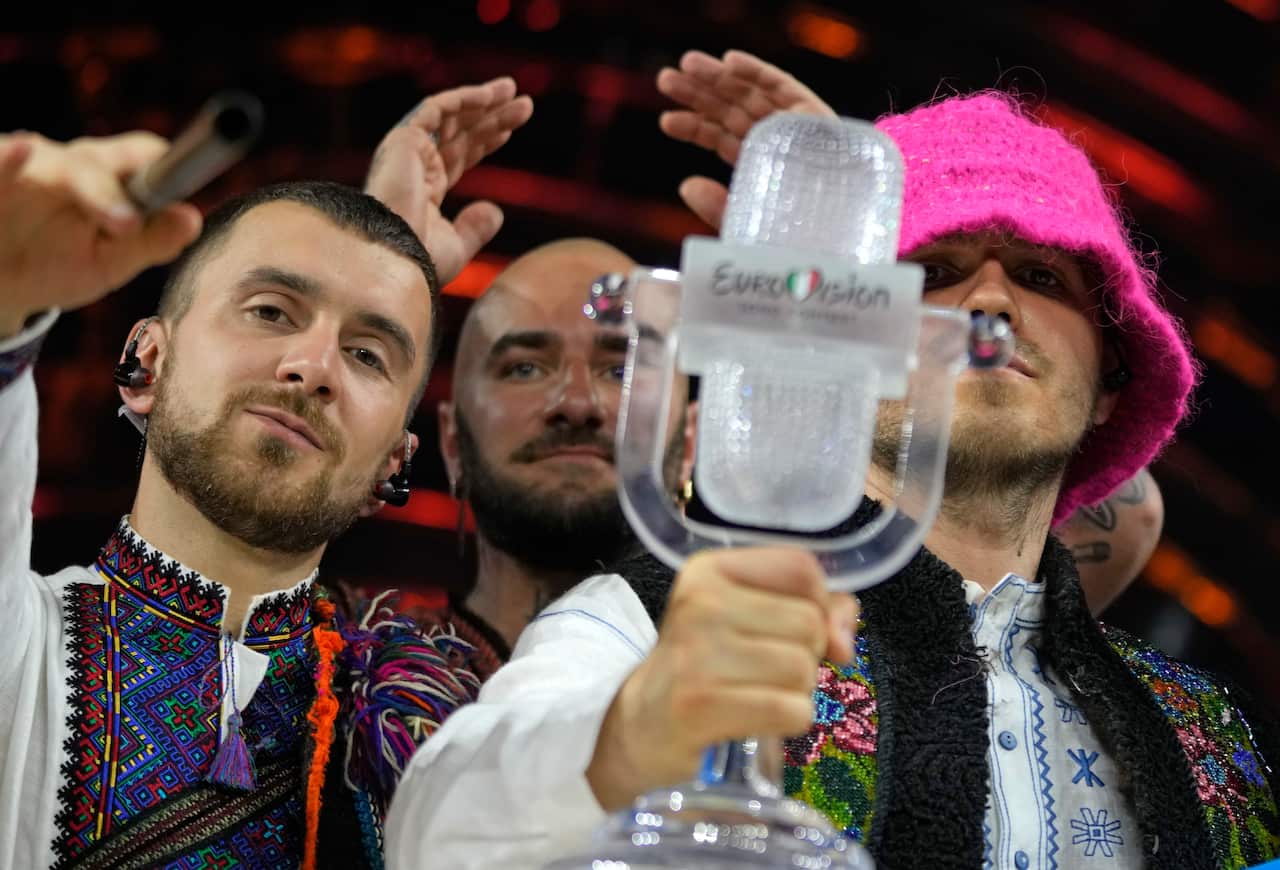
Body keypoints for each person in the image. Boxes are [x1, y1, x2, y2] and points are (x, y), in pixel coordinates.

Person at [384, 72, 1279, 869]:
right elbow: (432, 832)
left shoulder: (1203, 728)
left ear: (1112, 385)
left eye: (1046, 278)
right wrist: (625, 737)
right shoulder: (654, 623)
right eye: (932, 270)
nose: (991, 300)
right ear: (842, 340)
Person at [0, 76, 530, 870]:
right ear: (146, 360)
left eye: (366, 354)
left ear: (396, 459)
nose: (314, 366)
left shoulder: (431, 741)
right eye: (272, 310)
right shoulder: (20, 650)